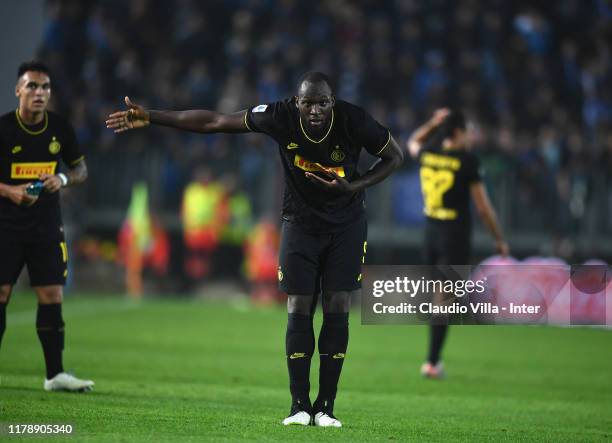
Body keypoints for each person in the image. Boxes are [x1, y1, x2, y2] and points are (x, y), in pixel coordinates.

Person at [106, 72, 404, 427]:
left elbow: (394, 157)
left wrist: (354, 186)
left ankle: (326, 406)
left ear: (332, 103)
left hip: (347, 225)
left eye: (321, 103)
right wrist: (152, 116)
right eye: (307, 103)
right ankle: (298, 406)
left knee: (338, 303)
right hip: (300, 224)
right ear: (297, 102)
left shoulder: (355, 120)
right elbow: (214, 121)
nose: (314, 111)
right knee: (298, 303)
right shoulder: (279, 116)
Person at [0, 61, 94, 392]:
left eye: (45, 88)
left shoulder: (60, 129)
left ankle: (55, 375)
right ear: (18, 91)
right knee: (2, 293)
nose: (39, 93)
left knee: (52, 294)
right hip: (6, 227)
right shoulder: (4, 130)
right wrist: (11, 191)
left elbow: (81, 170)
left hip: (46, 226)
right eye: (32, 87)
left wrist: (62, 178)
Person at [407, 108, 509, 379]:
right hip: (454, 236)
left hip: (429, 234)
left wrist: (431, 122)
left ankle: (432, 359)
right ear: (458, 133)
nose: (472, 136)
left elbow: (412, 142)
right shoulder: (467, 161)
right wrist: (499, 239)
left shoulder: (429, 155)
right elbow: (484, 208)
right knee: (444, 300)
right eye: (468, 131)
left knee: (439, 297)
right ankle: (431, 362)